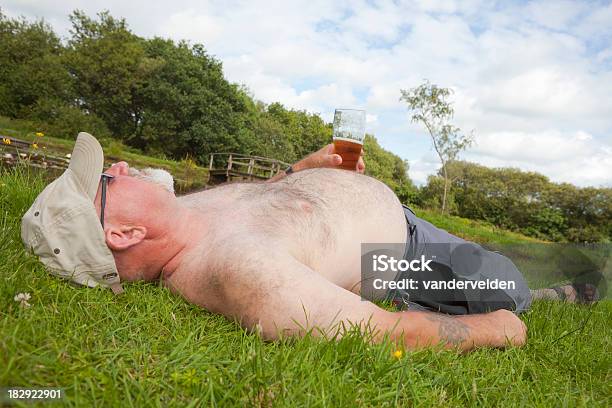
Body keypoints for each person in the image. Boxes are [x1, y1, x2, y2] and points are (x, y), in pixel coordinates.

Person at [21, 133, 596, 352]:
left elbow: (253, 204)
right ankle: (543, 301)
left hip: (395, 215)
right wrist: (496, 330)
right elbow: (373, 334)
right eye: (106, 180)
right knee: (506, 286)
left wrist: (306, 169)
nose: (119, 165)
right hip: (401, 248)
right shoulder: (242, 271)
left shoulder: (180, 214)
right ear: (122, 233)